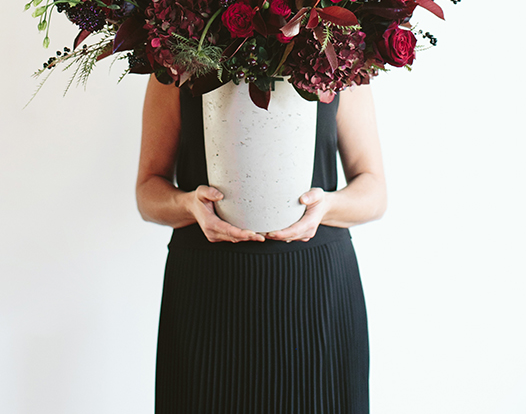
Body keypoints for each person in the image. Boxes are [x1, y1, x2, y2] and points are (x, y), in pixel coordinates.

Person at [136, 73, 387, 414]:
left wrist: (328, 206)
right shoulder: (174, 60)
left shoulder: (337, 57)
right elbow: (148, 192)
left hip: (316, 295)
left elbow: (374, 193)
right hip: (207, 294)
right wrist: (187, 205)